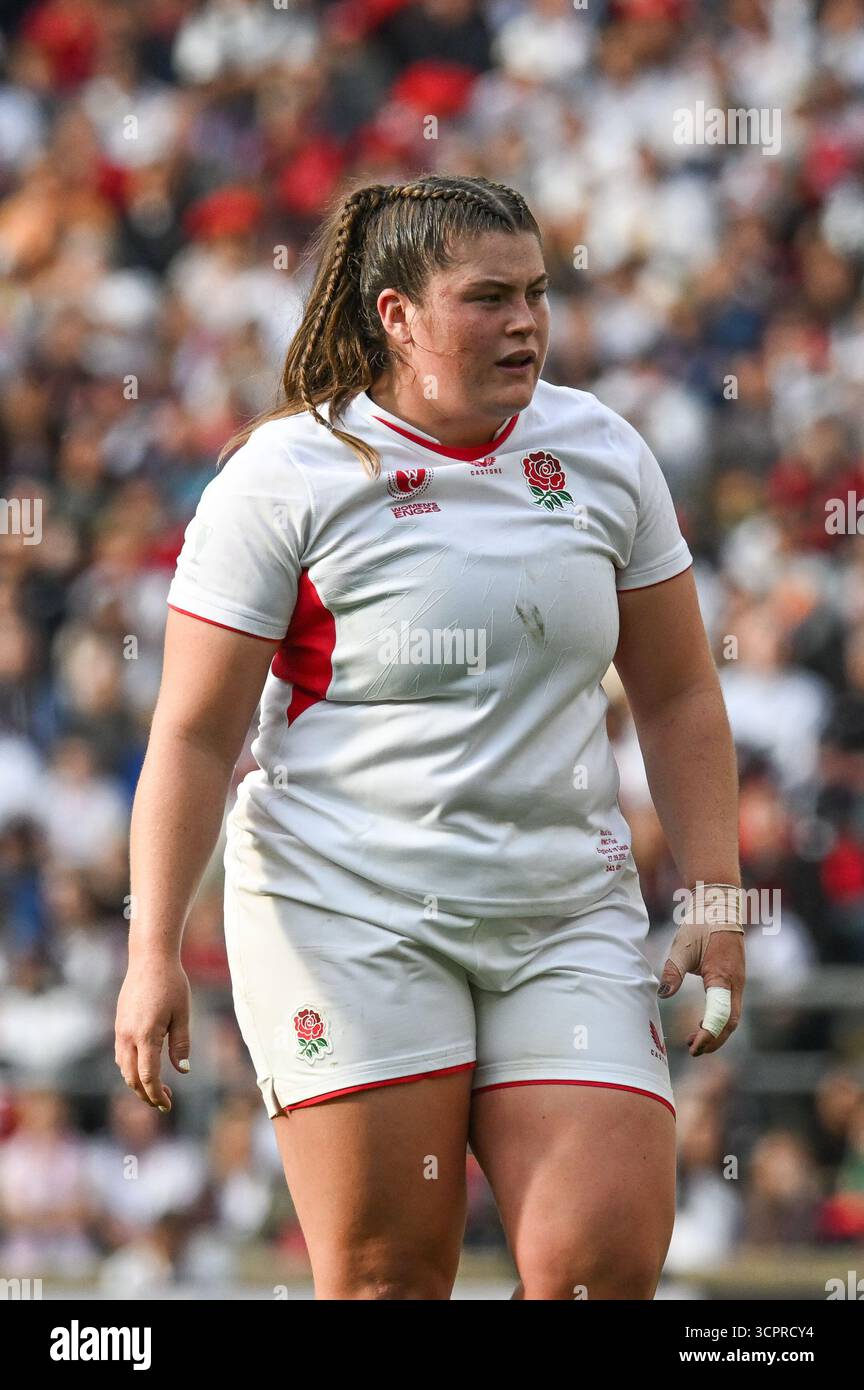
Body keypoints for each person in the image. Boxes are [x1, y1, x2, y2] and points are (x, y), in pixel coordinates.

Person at [115, 174, 745, 1300]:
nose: (526, 322)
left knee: (601, 1266)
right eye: (488, 297)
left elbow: (683, 693)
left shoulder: (602, 451)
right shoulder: (285, 478)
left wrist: (716, 888)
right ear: (396, 314)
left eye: (539, 294)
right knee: (388, 1278)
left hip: (562, 909)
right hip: (346, 908)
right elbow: (196, 736)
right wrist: (151, 946)